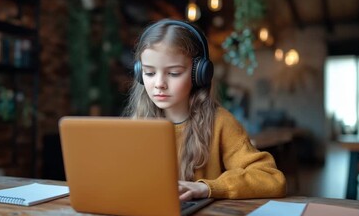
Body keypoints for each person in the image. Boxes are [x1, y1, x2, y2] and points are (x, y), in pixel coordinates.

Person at [123, 19, 287, 201]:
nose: (159, 84)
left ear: (199, 74)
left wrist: (207, 188)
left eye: (174, 73)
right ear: (139, 73)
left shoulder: (221, 123)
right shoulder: (137, 124)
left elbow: (271, 179)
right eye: (149, 73)